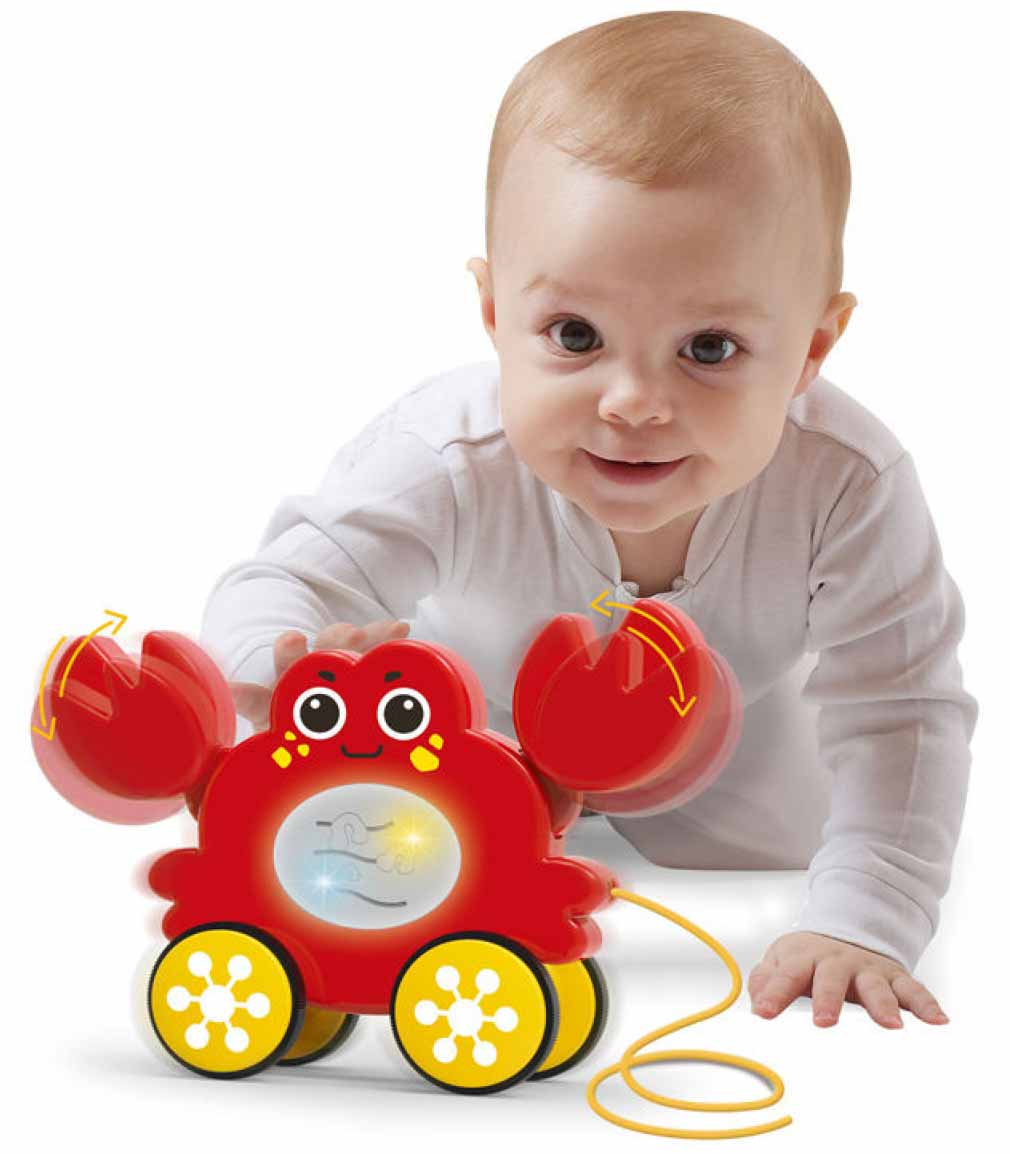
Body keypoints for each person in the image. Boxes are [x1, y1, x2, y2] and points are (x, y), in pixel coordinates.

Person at [201, 12, 977, 1031]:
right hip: (458, 760)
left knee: (804, 829)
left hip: (729, 773)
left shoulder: (849, 484)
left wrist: (865, 916)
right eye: (574, 335)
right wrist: (291, 671)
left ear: (810, 350)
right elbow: (279, 583)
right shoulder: (446, 453)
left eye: (707, 347)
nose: (632, 402)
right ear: (494, 316)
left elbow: (902, 709)